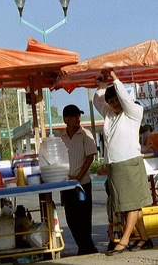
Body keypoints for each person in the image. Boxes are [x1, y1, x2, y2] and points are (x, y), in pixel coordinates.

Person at [94, 70, 153, 255]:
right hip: (115, 165)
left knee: (132, 205)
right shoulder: (109, 114)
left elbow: (126, 100)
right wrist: (103, 83)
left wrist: (115, 78)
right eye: (111, 102)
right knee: (128, 203)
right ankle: (144, 238)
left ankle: (125, 240)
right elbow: (98, 101)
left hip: (129, 163)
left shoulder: (134, 111)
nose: (114, 104)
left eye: (116, 100)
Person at [59, 104, 99, 255]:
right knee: (71, 218)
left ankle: (87, 248)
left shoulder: (85, 134)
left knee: (84, 217)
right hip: (67, 183)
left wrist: (78, 177)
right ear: (66, 119)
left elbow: (90, 157)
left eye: (79, 115)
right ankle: (85, 247)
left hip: (82, 184)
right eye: (74, 116)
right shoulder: (60, 137)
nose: (78, 118)